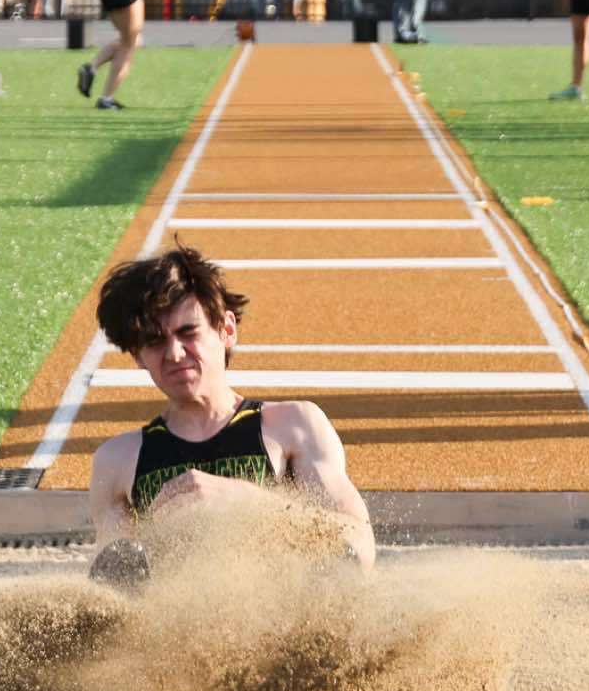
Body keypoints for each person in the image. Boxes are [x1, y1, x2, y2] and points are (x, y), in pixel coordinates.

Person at [87, 244, 376, 574]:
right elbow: (112, 586)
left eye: (187, 332)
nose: (175, 354)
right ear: (138, 356)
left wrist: (249, 503)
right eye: (154, 341)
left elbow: (359, 546)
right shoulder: (117, 460)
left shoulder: (294, 425)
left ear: (226, 329)